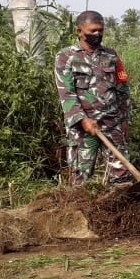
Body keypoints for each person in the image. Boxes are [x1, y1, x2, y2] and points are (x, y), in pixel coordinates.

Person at [54, 10, 133, 186]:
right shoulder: (66, 57)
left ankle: (122, 209)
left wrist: (125, 118)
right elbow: (66, 94)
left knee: (122, 174)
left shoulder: (111, 55)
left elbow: (122, 88)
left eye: (101, 30)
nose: (97, 34)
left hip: (111, 123)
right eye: (93, 31)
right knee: (81, 175)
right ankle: (78, 210)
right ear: (80, 31)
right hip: (83, 127)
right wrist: (82, 119)